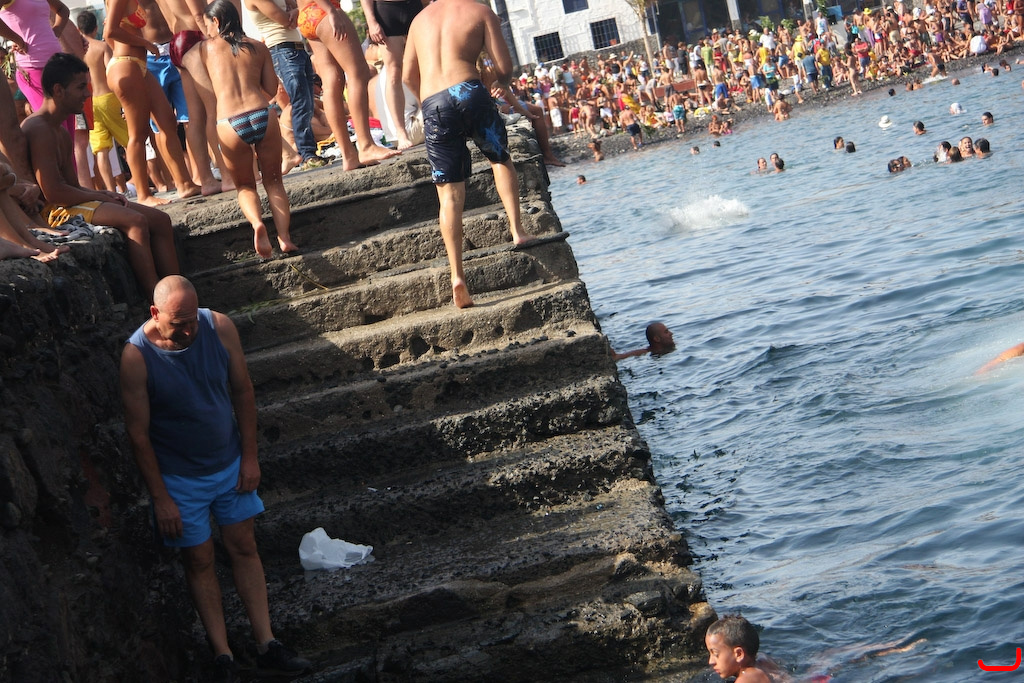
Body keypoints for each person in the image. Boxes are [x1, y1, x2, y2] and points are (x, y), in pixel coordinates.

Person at [120, 275, 312, 682]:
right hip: (179, 479)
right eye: (179, 324)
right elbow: (138, 435)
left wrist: (250, 457)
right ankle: (223, 655)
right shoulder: (136, 356)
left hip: (228, 464)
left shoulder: (219, 326)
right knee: (199, 559)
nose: (189, 331)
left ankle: (267, 643)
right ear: (155, 313)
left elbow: (243, 391)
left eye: (193, 320)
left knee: (244, 545)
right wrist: (161, 498)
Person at [402, 0, 534, 308]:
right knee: (499, 158)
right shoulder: (480, 11)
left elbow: (407, 76)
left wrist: (429, 98)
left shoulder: (418, 21)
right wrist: (500, 82)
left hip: (434, 103)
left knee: (448, 193)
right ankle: (517, 230)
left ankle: (457, 275)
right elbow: (504, 67)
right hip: (469, 91)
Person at [23, 53, 180, 297]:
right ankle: (157, 298)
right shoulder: (39, 128)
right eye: (80, 87)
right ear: (58, 90)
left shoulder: (60, 131)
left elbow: (72, 185)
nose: (87, 94)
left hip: (66, 203)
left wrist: (102, 193)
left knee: (160, 220)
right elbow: (53, 193)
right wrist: (101, 197)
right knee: (136, 221)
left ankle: (179, 291)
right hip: (52, 213)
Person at [201, 0, 296, 259]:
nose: (206, 31)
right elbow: (271, 89)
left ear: (216, 21)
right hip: (262, 114)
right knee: (274, 181)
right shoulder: (258, 46)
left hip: (229, 122)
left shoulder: (204, 49)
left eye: (207, 25)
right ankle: (285, 238)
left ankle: (257, 224)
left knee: (245, 186)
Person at [105, 0, 202, 204]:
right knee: (138, 134)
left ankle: (184, 183)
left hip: (139, 65)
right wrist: (145, 44)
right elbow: (110, 32)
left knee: (167, 122)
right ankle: (143, 195)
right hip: (126, 65)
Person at [296, 0, 400, 170]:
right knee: (358, 73)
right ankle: (366, 145)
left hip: (307, 14)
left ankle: (348, 155)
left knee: (331, 82)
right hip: (325, 10)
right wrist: (331, 10)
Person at [245, 0, 326, 172]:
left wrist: (296, 10)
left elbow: (294, 10)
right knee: (301, 102)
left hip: (295, 48)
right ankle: (307, 154)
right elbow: (285, 19)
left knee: (307, 103)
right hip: (282, 49)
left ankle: (308, 153)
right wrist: (299, 11)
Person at [360, 0, 421, 150]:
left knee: (423, 64)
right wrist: (371, 21)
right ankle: (401, 132)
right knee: (393, 71)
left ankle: (427, 113)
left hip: (414, 7)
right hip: (387, 9)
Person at [705, 615, 771, 682]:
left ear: (739, 654)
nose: (711, 661)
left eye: (716, 654)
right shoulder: (763, 660)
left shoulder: (745, 679)